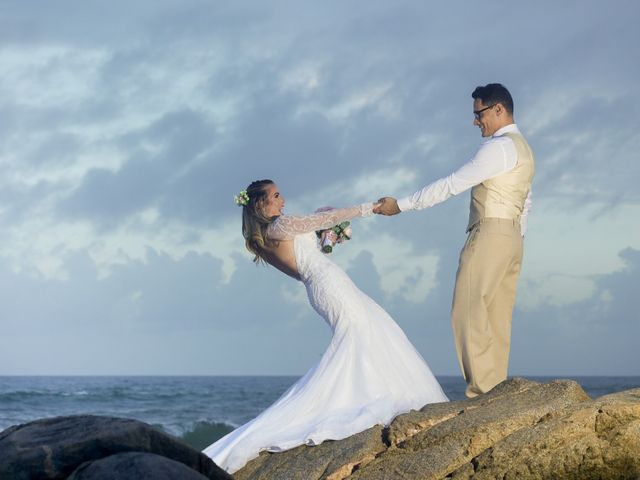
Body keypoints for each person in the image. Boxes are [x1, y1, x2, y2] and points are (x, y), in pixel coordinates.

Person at [203, 179, 448, 473]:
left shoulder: (268, 238)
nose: (282, 200)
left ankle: (376, 391)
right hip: (330, 285)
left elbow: (305, 259)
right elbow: (325, 218)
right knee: (359, 338)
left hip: (322, 285)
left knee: (373, 332)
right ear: (260, 204)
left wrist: (326, 240)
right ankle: (363, 400)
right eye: (276, 196)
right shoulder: (280, 227)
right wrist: (370, 208)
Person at [375, 83, 535, 399]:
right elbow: (527, 200)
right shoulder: (524, 148)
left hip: (490, 234)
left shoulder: (498, 148)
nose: (476, 122)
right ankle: (496, 387)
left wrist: (402, 205)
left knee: (467, 310)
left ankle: (482, 391)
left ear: (498, 109)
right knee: (497, 317)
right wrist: (517, 236)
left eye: (479, 114)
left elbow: (452, 184)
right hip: (513, 237)